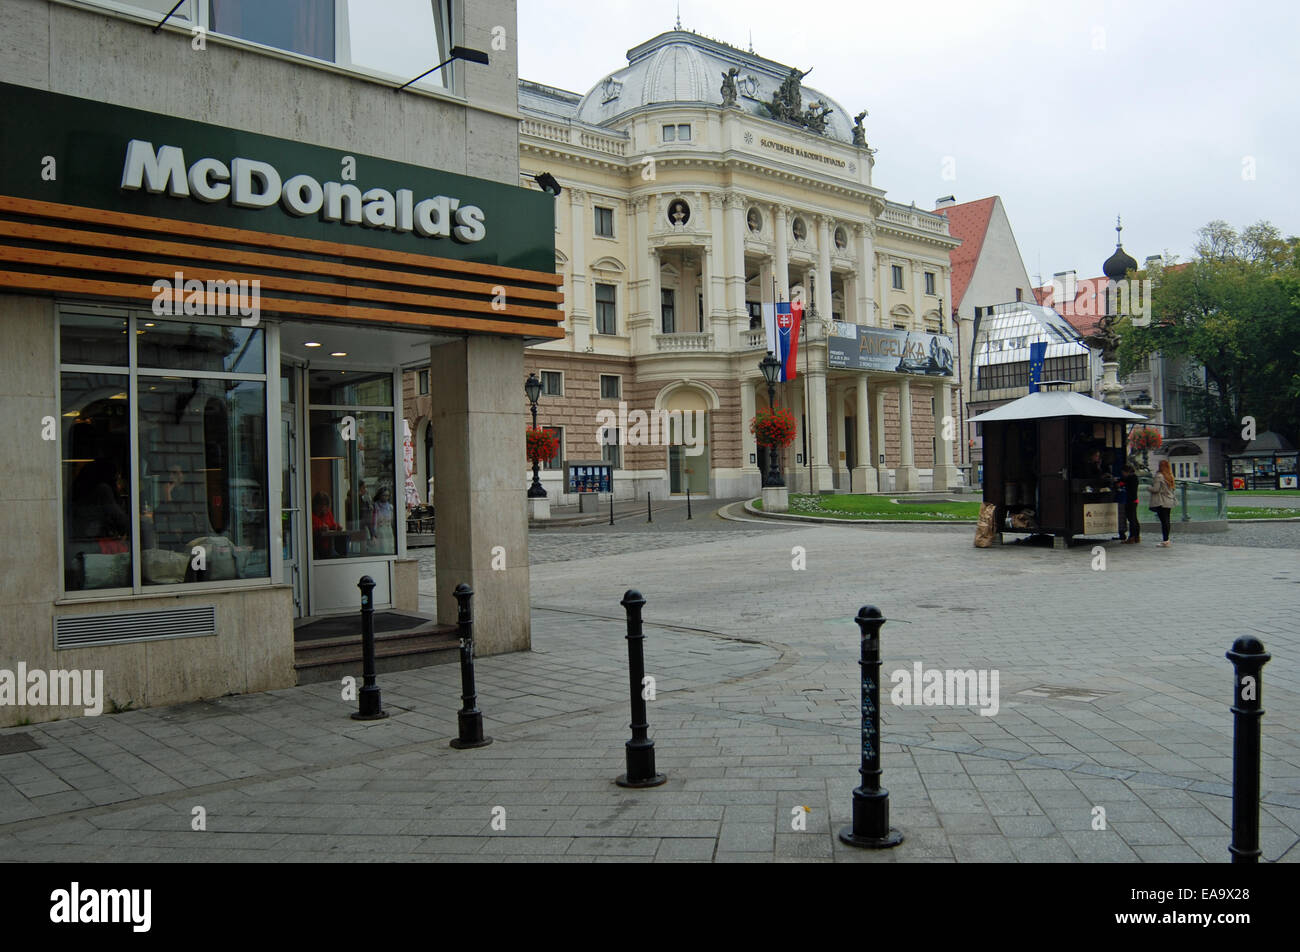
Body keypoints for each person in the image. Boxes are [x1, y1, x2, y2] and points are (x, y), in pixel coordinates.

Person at [1149, 458, 1176, 546]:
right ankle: (1167, 539)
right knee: (1167, 520)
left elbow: (1156, 489)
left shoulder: (1159, 476)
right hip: (1169, 500)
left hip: (1162, 501)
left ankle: (1165, 540)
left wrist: (1149, 488)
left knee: (1163, 521)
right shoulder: (1170, 476)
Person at [311, 491, 342, 558]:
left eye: (325, 505)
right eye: (321, 504)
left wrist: (337, 527)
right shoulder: (311, 515)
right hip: (315, 547)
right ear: (315, 505)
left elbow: (333, 525)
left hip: (329, 547)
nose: (323, 507)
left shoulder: (328, 514)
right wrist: (319, 528)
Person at [1121, 463, 1141, 543]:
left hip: (1130, 500)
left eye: (1123, 472)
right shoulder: (1135, 477)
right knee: (1134, 519)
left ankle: (1132, 537)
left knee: (1131, 519)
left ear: (1127, 472)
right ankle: (1137, 536)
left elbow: (1122, 483)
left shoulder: (1129, 478)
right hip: (1135, 499)